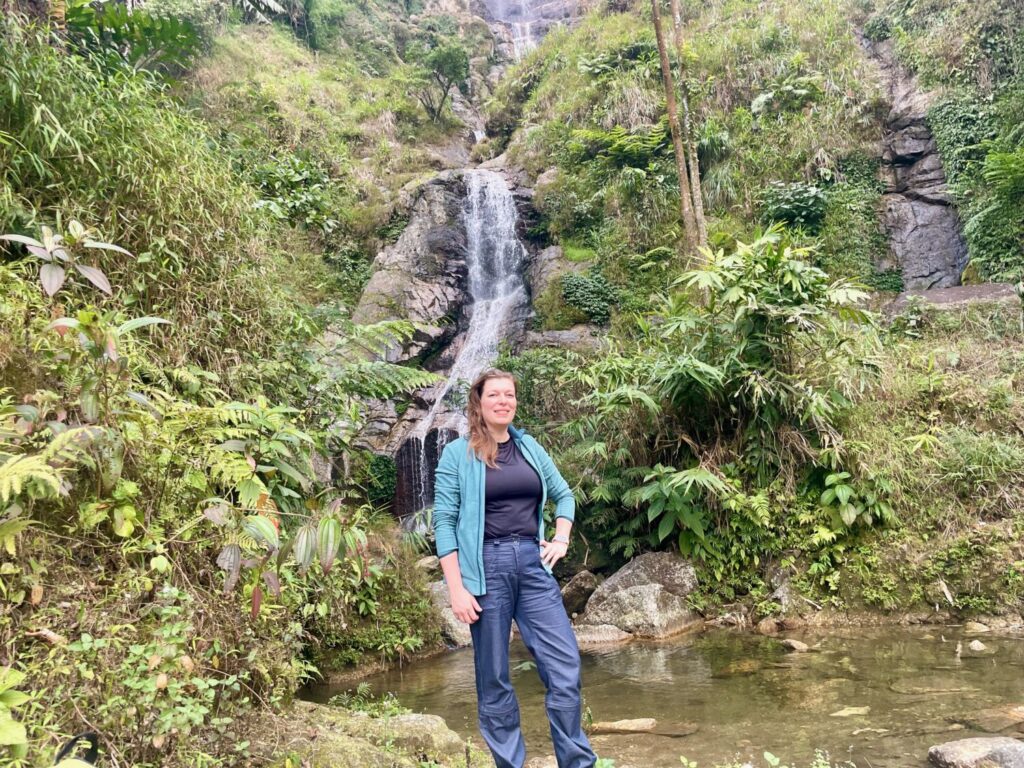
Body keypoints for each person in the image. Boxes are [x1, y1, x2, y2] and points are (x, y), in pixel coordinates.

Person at [433, 368, 597, 768]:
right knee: (493, 676)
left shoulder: (529, 447)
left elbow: (564, 495)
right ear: (479, 401)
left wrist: (561, 538)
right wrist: (456, 588)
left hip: (532, 562)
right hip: (484, 566)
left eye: (509, 395)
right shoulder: (458, 453)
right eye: (495, 395)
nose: (503, 401)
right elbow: (444, 522)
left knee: (564, 665)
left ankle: (576, 761)